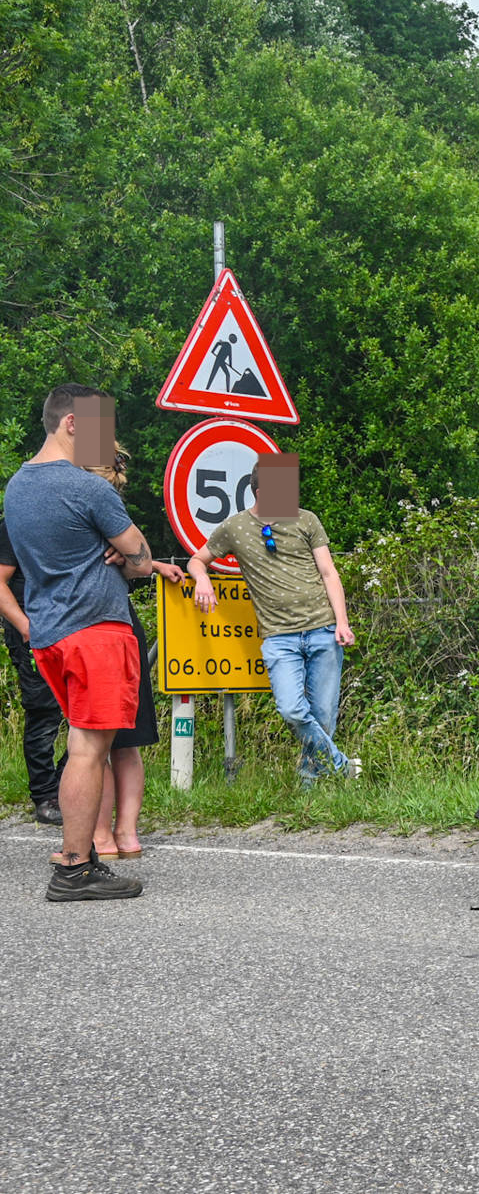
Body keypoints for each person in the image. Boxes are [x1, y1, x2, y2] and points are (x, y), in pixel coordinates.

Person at [5, 383, 157, 900]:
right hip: (94, 630)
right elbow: (139, 559)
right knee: (90, 749)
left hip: (49, 632)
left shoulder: (18, 486)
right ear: (73, 425)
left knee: (83, 744)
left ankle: (82, 857)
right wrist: (126, 555)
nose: (108, 440)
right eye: (102, 429)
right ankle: (74, 868)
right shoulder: (89, 488)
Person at [185, 460, 360, 785]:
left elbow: (328, 573)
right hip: (279, 637)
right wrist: (202, 580)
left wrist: (342, 622)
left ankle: (311, 789)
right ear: (261, 491)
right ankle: (341, 767)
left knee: (322, 717)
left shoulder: (307, 520)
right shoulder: (234, 528)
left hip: (323, 629)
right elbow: (198, 559)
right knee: (293, 710)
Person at [79, 443, 186, 859]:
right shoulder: (113, 514)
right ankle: (127, 835)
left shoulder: (80, 508)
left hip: (94, 630)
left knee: (95, 745)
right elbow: (134, 559)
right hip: (125, 628)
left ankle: (101, 839)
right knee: (127, 743)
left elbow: (128, 560)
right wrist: (153, 564)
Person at [0, 516, 66, 825]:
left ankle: (66, 786)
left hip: (72, 623)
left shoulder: (72, 515)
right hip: (31, 626)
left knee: (92, 711)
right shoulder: (16, 521)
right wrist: (26, 628)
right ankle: (45, 797)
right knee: (44, 709)